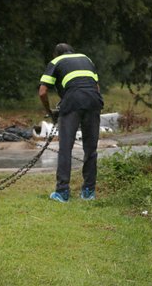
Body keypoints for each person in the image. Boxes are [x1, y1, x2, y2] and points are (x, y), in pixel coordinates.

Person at [38, 43, 104, 202]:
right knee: (91, 149)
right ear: (72, 52)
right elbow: (96, 87)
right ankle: (88, 192)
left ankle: (62, 192)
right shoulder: (85, 59)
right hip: (94, 101)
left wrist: (49, 112)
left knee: (65, 148)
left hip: (72, 103)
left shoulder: (56, 62)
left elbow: (42, 92)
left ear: (56, 54)